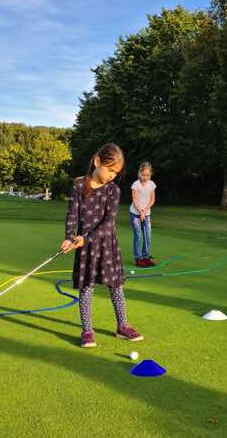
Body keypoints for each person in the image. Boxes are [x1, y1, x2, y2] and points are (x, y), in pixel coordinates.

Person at [60, 143, 143, 348]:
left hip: (106, 245)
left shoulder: (113, 190)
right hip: (85, 247)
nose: (112, 175)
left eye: (116, 172)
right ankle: (87, 330)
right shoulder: (79, 185)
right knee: (86, 287)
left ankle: (122, 326)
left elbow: (109, 222)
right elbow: (72, 215)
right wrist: (69, 237)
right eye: (110, 170)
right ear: (97, 162)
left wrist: (86, 238)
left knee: (116, 286)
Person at [129, 162, 156, 267]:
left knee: (147, 236)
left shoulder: (151, 184)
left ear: (150, 174)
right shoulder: (136, 185)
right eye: (143, 175)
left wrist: (145, 211)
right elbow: (135, 199)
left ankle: (146, 257)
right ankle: (138, 258)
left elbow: (152, 199)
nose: (145, 177)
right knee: (138, 235)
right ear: (139, 173)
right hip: (135, 213)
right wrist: (140, 211)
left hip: (146, 213)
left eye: (148, 175)